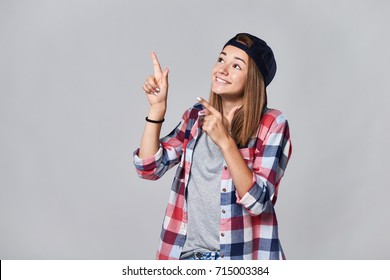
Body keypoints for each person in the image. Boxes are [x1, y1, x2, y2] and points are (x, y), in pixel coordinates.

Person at [133, 33, 292, 260]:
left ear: (254, 79)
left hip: (241, 260)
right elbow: (148, 168)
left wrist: (226, 142)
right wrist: (157, 110)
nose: (222, 69)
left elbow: (258, 202)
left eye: (236, 65)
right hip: (187, 257)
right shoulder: (195, 117)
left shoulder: (272, 124)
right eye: (221, 59)